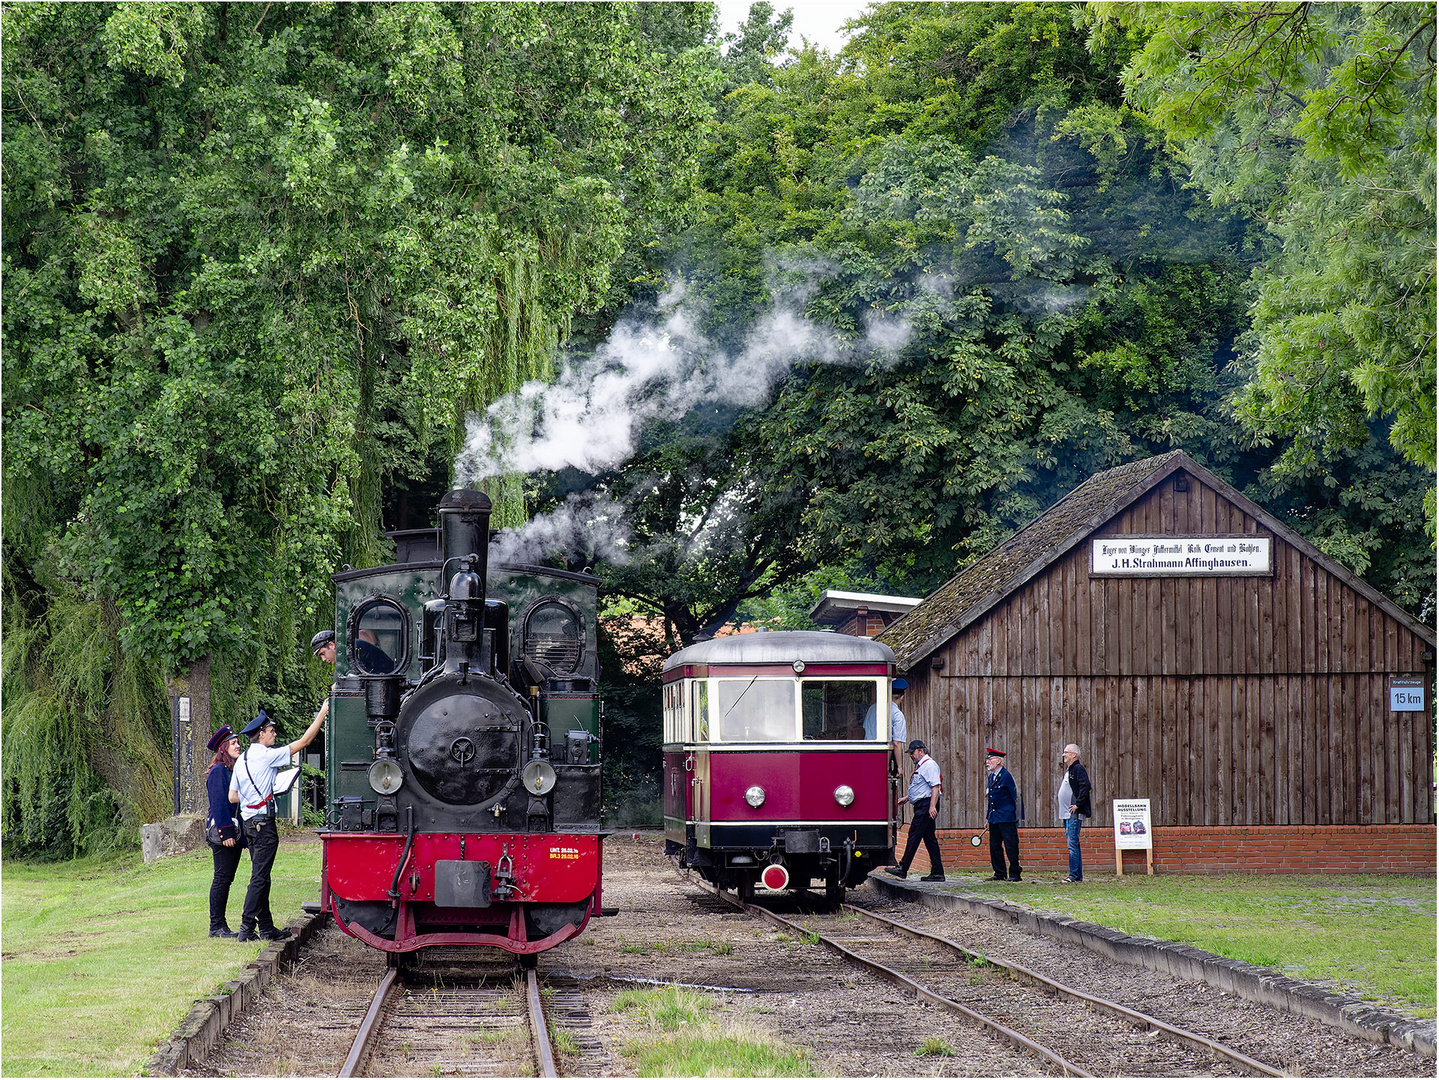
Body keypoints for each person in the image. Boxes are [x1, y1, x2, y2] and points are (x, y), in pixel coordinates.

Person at [229, 701, 328, 943]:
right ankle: (245, 928)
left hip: (249, 823)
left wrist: (253, 798)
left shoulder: (241, 760)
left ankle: (266, 927)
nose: (275, 734)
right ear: (261, 734)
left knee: (261, 873)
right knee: (260, 876)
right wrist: (323, 713)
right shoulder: (268, 756)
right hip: (264, 824)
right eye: (272, 730)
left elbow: (232, 796)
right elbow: (303, 742)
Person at [204, 725, 245, 938]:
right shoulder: (219, 770)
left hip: (233, 832)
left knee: (226, 878)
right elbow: (219, 803)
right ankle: (216, 926)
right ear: (223, 747)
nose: (238, 746)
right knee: (221, 878)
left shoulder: (232, 769)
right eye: (233, 743)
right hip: (224, 833)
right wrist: (226, 833)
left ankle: (220, 925)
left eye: (238, 742)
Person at [884, 739, 944, 882]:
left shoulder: (929, 765)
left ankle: (903, 868)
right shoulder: (921, 766)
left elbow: (935, 787)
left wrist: (932, 806)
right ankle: (937, 872)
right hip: (923, 804)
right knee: (929, 839)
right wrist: (907, 798)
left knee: (914, 834)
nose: (911, 756)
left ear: (921, 751)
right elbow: (922, 788)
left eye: (912, 753)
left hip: (926, 806)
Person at [985, 747, 1022, 881]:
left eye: (990, 759)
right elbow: (990, 799)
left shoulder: (1006, 776)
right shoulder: (991, 777)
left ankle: (1014, 873)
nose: (988, 762)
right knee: (994, 846)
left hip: (1006, 817)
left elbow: (1014, 797)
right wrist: (988, 818)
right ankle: (999, 872)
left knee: (1010, 845)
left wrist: (1014, 815)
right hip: (995, 817)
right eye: (987, 759)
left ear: (998, 761)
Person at [1058, 743, 1092, 883]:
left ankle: (1073, 875)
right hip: (1067, 814)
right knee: (1073, 844)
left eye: (1066, 752)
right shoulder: (1070, 770)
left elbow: (1086, 786)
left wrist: (1077, 804)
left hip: (1073, 814)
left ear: (1074, 755)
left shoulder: (1078, 769)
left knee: (1072, 844)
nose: (1063, 755)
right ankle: (1077, 875)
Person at [863, 678, 908, 770]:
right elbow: (896, 742)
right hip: (882, 759)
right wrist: (899, 767)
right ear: (902, 697)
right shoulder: (897, 715)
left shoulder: (872, 708)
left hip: (866, 755)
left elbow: (864, 729)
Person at [311, 628, 392, 674]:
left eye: (323, 653)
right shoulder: (347, 650)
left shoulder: (351, 650)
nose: (323, 659)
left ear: (332, 645)